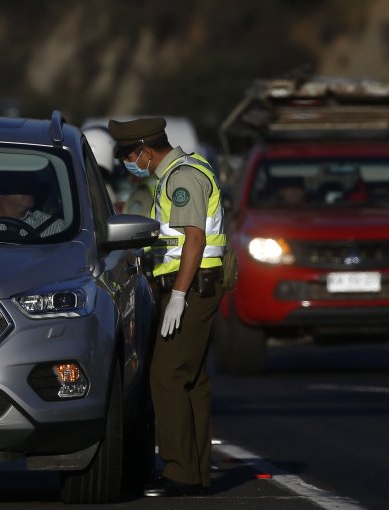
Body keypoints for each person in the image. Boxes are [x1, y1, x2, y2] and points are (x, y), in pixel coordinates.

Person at [109, 117, 226, 498]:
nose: (129, 163)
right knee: (191, 379)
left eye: (129, 155)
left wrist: (177, 295)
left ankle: (180, 471)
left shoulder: (181, 177)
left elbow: (194, 239)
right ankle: (194, 473)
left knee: (167, 375)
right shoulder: (177, 173)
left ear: (145, 150)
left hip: (192, 289)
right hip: (191, 286)